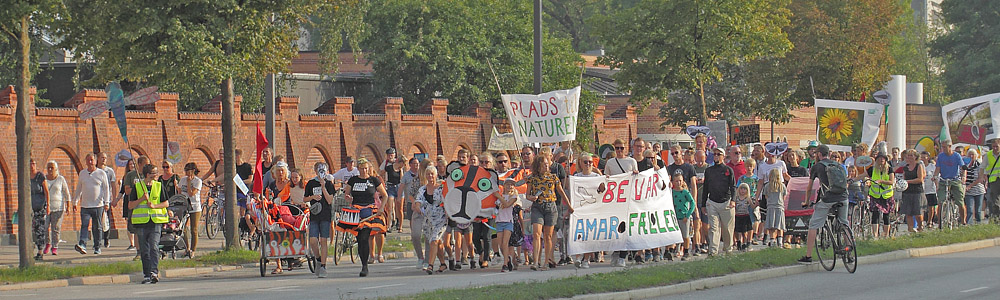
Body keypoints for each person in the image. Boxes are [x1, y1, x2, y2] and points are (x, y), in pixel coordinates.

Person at [799, 144, 849, 264]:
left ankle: (808, 256)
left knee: (813, 225)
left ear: (819, 154)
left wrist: (806, 202)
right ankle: (850, 247)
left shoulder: (817, 167)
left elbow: (809, 187)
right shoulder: (838, 165)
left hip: (828, 199)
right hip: (843, 197)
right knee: (844, 223)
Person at [339, 158, 389, 277]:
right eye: (361, 168)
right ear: (358, 169)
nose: (364, 171)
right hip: (356, 210)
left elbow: (385, 195)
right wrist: (348, 198)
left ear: (369, 169)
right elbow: (346, 194)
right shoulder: (353, 180)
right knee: (360, 238)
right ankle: (363, 263)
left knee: (365, 236)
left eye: (366, 168)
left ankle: (364, 266)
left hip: (369, 211)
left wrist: (381, 208)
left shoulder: (373, 180)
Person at [525, 154, 571, 271]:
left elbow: (561, 192)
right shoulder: (532, 179)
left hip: (551, 206)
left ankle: (546, 262)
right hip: (537, 207)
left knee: (548, 235)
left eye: (547, 164)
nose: (546, 166)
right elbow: (527, 194)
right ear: (538, 166)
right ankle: (536, 261)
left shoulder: (553, 178)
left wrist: (569, 206)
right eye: (543, 164)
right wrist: (531, 198)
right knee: (536, 233)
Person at [129, 164, 170, 283]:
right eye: (154, 173)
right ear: (147, 175)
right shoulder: (137, 187)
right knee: (144, 250)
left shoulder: (159, 186)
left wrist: (154, 206)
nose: (157, 175)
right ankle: (146, 274)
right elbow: (130, 205)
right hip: (141, 223)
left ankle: (154, 272)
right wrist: (142, 199)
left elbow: (166, 203)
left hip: (156, 222)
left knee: (154, 247)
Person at [604, 139, 639, 266]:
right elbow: (606, 178)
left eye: (621, 148)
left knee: (626, 227)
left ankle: (623, 255)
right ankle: (617, 250)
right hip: (615, 200)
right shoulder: (611, 163)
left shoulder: (631, 161)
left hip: (628, 199)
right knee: (616, 227)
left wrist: (635, 174)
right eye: (617, 148)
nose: (619, 151)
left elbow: (636, 178)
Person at [73, 153, 111, 255]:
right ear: (85, 161)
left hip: (98, 205)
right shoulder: (82, 174)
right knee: (84, 225)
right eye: (88, 160)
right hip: (85, 205)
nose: (90, 162)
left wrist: (107, 202)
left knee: (97, 227)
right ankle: (82, 244)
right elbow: (79, 188)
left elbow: (106, 189)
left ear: (95, 161)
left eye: (92, 160)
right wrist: (75, 201)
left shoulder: (101, 173)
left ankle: (97, 246)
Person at [305, 162, 336, 278]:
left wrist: (323, 187)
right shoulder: (311, 183)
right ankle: (318, 258)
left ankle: (323, 266)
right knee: (313, 240)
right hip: (314, 214)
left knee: (323, 240)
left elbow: (329, 200)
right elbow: (304, 198)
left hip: (325, 215)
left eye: (323, 171)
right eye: (319, 171)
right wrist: (312, 197)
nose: (321, 173)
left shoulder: (329, 184)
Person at [702, 148, 736, 256]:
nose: (716, 156)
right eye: (714, 154)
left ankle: (728, 249)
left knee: (727, 229)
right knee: (713, 228)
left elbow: (733, 186)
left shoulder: (728, 170)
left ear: (723, 156)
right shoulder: (709, 171)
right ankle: (713, 251)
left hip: (726, 202)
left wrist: (733, 200)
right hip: (712, 202)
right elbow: (705, 188)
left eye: (718, 154)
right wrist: (703, 204)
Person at [416, 166, 448, 274]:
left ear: (436, 175)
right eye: (428, 174)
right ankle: (443, 263)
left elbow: (447, 200)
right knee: (436, 242)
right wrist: (418, 207)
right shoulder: (422, 189)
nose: (430, 176)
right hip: (428, 220)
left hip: (440, 219)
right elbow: (418, 201)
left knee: (434, 240)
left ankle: (430, 265)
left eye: (432, 174)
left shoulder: (441, 188)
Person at [399, 157, 427, 269]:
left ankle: (428, 260)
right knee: (415, 234)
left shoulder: (436, 182)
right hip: (416, 208)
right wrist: (414, 203)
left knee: (429, 236)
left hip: (431, 212)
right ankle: (420, 257)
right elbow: (410, 193)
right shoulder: (415, 180)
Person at [933, 140, 967, 225]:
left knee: (960, 201)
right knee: (940, 201)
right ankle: (940, 221)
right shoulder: (940, 156)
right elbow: (937, 168)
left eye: (944, 147)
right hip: (944, 180)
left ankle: (963, 220)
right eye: (942, 147)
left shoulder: (956, 156)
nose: (943, 149)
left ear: (950, 146)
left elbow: (963, 167)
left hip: (955, 180)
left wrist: (964, 176)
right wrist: (935, 176)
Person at [44, 161, 72, 256]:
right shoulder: (44, 179)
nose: (50, 170)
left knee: (55, 228)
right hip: (46, 207)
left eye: (52, 167)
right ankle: (47, 243)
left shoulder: (60, 179)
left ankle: (54, 246)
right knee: (45, 226)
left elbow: (66, 192)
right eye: (49, 168)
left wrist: (68, 205)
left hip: (58, 207)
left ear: (56, 169)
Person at [868, 153, 896, 238]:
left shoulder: (889, 169)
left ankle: (885, 235)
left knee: (886, 215)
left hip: (886, 195)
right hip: (875, 195)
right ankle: (875, 236)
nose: (881, 160)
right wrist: (852, 180)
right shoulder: (872, 169)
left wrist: (881, 181)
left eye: (883, 158)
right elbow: (863, 175)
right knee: (875, 214)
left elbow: (891, 181)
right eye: (880, 158)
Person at [179, 162, 203, 257]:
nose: (186, 172)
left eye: (187, 170)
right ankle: (187, 248)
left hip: (194, 207)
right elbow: (180, 192)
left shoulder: (198, 181)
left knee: (194, 229)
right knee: (183, 227)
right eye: (185, 170)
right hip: (184, 206)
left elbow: (191, 193)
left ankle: (193, 250)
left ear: (193, 171)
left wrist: (189, 183)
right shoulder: (182, 179)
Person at [900, 149, 926, 231]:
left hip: (917, 191)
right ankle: (910, 229)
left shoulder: (919, 166)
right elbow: (904, 178)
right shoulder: (905, 168)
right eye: (908, 156)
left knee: (918, 212)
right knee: (908, 213)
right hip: (907, 191)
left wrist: (908, 181)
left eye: (911, 155)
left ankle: (920, 226)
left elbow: (920, 179)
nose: (909, 157)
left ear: (915, 157)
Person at [96, 153, 118, 249]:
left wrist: (114, 198)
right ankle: (97, 241)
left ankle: (106, 239)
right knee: (97, 221)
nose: (104, 160)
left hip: (106, 199)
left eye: (105, 158)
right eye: (102, 158)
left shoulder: (110, 171)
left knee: (106, 219)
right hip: (96, 199)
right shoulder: (95, 171)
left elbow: (113, 185)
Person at [672, 173, 696, 260]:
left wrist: (688, 215)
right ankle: (676, 250)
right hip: (675, 217)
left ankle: (686, 251)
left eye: (680, 181)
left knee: (685, 235)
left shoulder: (685, 192)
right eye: (676, 181)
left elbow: (692, 203)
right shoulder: (672, 192)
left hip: (684, 217)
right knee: (676, 235)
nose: (678, 183)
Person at [380, 148, 404, 232]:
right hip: (390, 186)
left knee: (399, 207)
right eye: (388, 155)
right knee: (389, 207)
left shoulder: (399, 164)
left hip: (398, 187)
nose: (390, 156)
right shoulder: (386, 164)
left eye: (391, 154)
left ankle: (399, 224)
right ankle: (389, 225)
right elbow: (380, 173)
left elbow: (402, 178)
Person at [29, 160, 49, 261]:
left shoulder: (40, 176)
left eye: (33, 163)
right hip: (30, 207)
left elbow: (46, 191)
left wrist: (48, 205)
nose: (32, 166)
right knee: (30, 229)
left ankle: (40, 251)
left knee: (39, 228)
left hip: (40, 206)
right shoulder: (26, 176)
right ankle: (29, 250)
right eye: (30, 164)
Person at [762, 168, 787, 247]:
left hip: (770, 207)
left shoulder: (767, 186)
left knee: (772, 226)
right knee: (780, 226)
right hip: (779, 207)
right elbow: (784, 196)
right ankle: (780, 242)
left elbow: (766, 196)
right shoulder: (782, 186)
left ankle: (772, 241)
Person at [977, 138, 999, 220]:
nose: (995, 148)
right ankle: (996, 219)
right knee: (995, 201)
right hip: (994, 181)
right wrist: (981, 177)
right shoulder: (988, 155)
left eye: (997, 146)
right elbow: (982, 167)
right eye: (993, 146)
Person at [962, 149, 986, 224]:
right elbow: (961, 174)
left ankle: (978, 224)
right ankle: (969, 224)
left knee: (978, 210)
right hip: (968, 192)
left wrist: (970, 185)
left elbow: (980, 178)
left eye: (973, 155)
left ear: (976, 156)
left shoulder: (979, 165)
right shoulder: (964, 165)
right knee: (969, 209)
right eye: (970, 154)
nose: (971, 156)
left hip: (978, 190)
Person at [733, 183, 754, 251]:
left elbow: (752, 206)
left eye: (744, 189)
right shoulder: (736, 198)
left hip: (745, 216)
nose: (743, 190)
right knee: (738, 231)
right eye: (741, 189)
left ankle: (744, 243)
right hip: (738, 216)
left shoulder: (747, 198)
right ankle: (739, 242)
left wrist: (756, 204)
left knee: (744, 232)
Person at [921, 151, 938, 227]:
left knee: (931, 206)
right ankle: (921, 222)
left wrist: (936, 185)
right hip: (922, 189)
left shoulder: (932, 166)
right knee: (922, 207)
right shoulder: (920, 166)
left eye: (924, 157)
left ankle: (929, 221)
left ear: (928, 157)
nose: (923, 159)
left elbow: (936, 176)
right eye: (922, 157)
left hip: (931, 189)